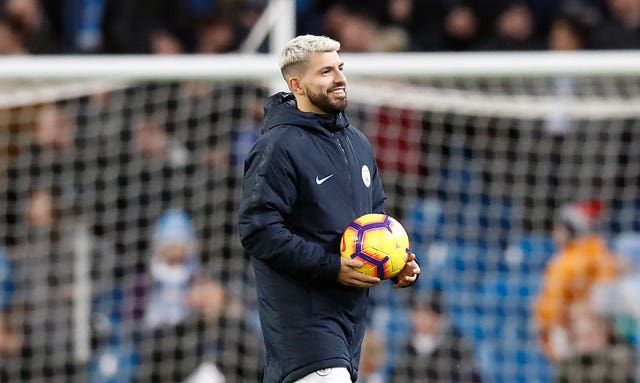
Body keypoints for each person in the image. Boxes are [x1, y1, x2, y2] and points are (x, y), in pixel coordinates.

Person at [238, 34, 421, 383]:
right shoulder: (277, 146)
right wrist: (330, 266)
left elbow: (376, 220)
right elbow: (258, 230)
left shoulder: (357, 143)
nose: (339, 78)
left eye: (340, 68)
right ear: (297, 84)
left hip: (348, 327)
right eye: (325, 71)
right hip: (304, 328)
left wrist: (399, 262)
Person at [534, 200, 621, 363]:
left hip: (589, 328)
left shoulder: (568, 260)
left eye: (560, 227)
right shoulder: (599, 252)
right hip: (581, 330)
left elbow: (551, 309)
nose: (555, 232)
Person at [390, 289, 482, 383]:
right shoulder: (407, 346)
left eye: (424, 312)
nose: (418, 318)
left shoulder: (457, 344)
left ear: (437, 316)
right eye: (415, 312)